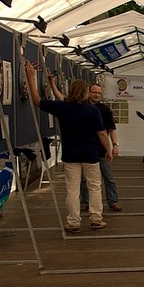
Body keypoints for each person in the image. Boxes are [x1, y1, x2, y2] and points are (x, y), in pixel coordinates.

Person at [25, 61, 111, 232]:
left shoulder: (62, 108)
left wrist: (31, 78)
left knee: (72, 189)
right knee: (94, 186)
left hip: (71, 155)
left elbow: (36, 100)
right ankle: (96, 219)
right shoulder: (92, 110)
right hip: (90, 154)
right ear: (86, 92)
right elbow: (102, 132)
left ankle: (73, 222)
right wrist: (108, 149)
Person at [74, 82, 122, 212]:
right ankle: (85, 201)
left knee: (108, 176)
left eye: (99, 93)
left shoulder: (105, 110)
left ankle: (113, 201)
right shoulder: (80, 107)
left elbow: (111, 129)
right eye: (94, 92)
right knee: (85, 179)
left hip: (101, 150)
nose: (96, 95)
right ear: (88, 92)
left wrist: (115, 145)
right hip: (86, 149)